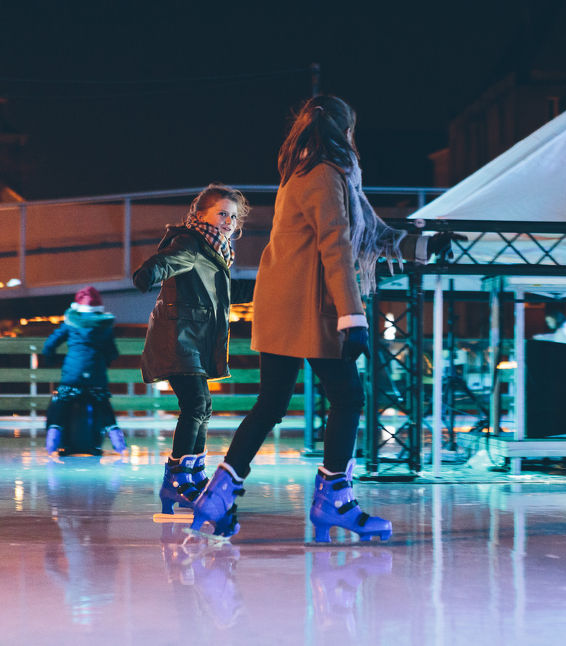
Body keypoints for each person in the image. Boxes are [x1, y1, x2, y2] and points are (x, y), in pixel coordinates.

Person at [191, 94, 460, 541]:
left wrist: (423, 246)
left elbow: (371, 234)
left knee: (271, 404)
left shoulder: (310, 175)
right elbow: (337, 246)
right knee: (348, 398)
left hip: (283, 307)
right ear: (343, 132)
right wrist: (352, 318)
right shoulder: (324, 177)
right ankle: (334, 499)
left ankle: (217, 495)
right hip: (309, 310)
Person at [132, 183, 254, 515]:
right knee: (196, 403)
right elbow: (170, 260)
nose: (228, 222)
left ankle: (192, 475)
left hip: (192, 341)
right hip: (177, 337)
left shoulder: (217, 252)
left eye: (232, 216)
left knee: (202, 405)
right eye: (221, 214)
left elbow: (227, 292)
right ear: (200, 215)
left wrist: (267, 288)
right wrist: (148, 272)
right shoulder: (190, 243)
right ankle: (176, 479)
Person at [42, 286, 126, 456]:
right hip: (96, 376)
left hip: (72, 375)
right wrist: (105, 362)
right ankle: (118, 442)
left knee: (62, 403)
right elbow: (112, 352)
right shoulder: (104, 325)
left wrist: (51, 359)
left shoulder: (71, 322)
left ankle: (53, 439)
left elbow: (49, 345)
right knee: (104, 405)